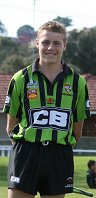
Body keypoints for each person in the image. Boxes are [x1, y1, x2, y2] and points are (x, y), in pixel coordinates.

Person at [3, 21, 90, 198]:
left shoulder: (77, 83)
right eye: (45, 42)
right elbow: (11, 127)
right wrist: (28, 148)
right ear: (37, 43)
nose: (50, 47)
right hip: (26, 153)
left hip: (59, 155)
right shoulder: (21, 79)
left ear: (65, 45)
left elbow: (77, 130)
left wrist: (56, 148)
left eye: (57, 43)